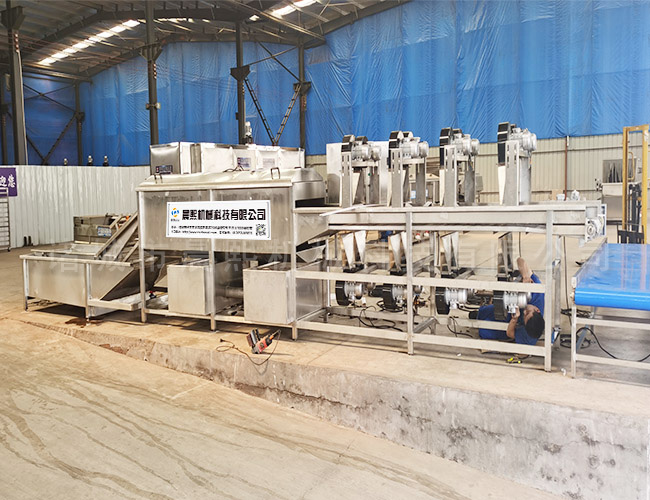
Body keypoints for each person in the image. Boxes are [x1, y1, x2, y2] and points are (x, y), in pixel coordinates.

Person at [471, 257, 545, 345]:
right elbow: (520, 260)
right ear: (537, 310)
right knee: (483, 312)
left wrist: (514, 319)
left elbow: (510, 334)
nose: (524, 312)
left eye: (524, 316)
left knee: (483, 332)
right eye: (528, 312)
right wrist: (526, 277)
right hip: (507, 308)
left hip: (511, 321)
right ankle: (479, 314)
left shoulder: (529, 335)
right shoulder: (537, 292)